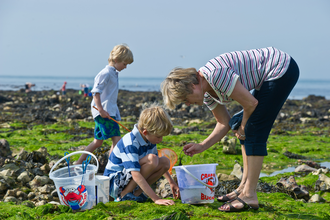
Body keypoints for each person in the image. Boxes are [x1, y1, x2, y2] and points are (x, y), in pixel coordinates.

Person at [161, 47, 299, 212]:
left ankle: (249, 195)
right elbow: (224, 122)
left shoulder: (215, 75)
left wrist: (243, 127)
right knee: (237, 123)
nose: (188, 104)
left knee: (253, 129)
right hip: (269, 74)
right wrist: (202, 145)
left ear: (192, 85)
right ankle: (243, 187)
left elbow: (250, 104)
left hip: (280, 68)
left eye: (185, 99)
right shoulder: (206, 93)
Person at [103, 105, 180, 205]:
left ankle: (136, 194)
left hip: (128, 178)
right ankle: (124, 195)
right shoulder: (130, 142)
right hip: (114, 182)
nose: (160, 140)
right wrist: (156, 199)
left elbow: (158, 163)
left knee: (165, 162)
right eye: (158, 136)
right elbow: (135, 174)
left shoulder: (150, 139)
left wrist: (171, 181)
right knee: (152, 160)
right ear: (145, 132)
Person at [76, 44, 134, 164]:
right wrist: (101, 110)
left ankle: (79, 162)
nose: (125, 67)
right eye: (124, 64)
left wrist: (115, 113)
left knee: (98, 142)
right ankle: (111, 166)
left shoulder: (114, 73)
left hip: (108, 111)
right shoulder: (106, 73)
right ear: (116, 60)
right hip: (103, 112)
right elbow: (95, 92)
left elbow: (110, 96)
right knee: (117, 140)